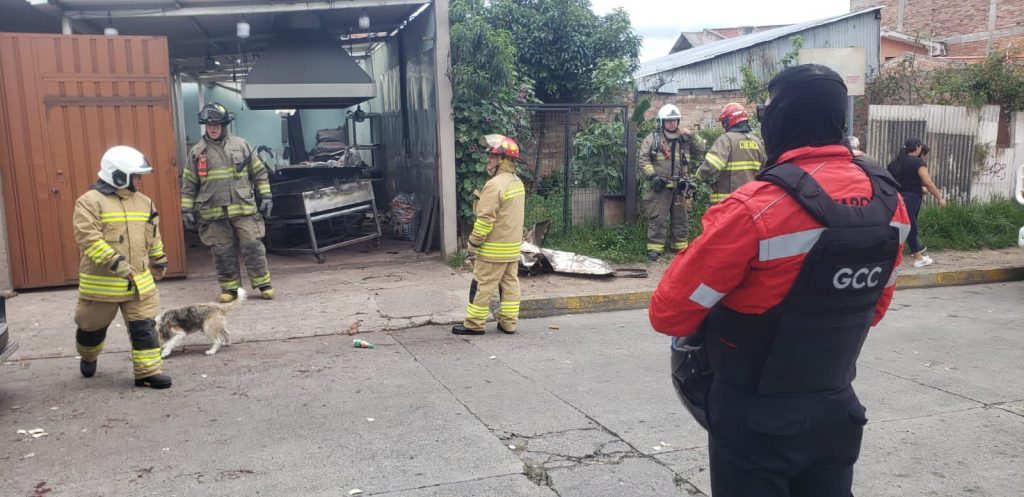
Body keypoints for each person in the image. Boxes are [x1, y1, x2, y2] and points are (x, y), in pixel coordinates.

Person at [649, 64, 911, 497]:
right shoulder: (890, 202)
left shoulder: (756, 208)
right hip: (836, 412)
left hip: (755, 421)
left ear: (783, 118)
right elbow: (874, 311)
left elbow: (668, 313)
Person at [73, 146, 172, 389]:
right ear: (118, 175)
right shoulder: (89, 202)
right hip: (102, 287)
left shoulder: (144, 203)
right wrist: (115, 263)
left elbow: (153, 235)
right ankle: (88, 355)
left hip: (140, 283)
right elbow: (88, 238)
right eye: (136, 176)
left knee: (145, 328)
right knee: (90, 330)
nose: (140, 181)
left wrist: (158, 260)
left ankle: (148, 373)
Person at [182, 102, 275, 302]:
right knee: (222, 251)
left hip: (244, 209)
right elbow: (189, 184)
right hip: (213, 212)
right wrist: (186, 209)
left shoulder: (241, 145)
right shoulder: (197, 152)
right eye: (209, 125)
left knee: (252, 245)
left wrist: (266, 196)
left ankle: (263, 284)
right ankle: (230, 289)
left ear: (225, 125)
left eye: (216, 124)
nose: (213, 128)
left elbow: (260, 173)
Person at [451, 135, 526, 336]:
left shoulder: (494, 185)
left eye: (492, 156)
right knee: (510, 285)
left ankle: (474, 324)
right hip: (511, 249)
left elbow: (485, 220)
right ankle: (508, 323)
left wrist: (473, 243)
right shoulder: (517, 182)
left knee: (481, 285)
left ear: (503, 159)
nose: (488, 160)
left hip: (493, 250)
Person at [639, 104, 707, 260]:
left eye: (675, 120)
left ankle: (680, 247)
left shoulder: (684, 139)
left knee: (681, 218)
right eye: (668, 120)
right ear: (662, 122)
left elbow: (702, 148)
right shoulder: (653, 139)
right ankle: (655, 248)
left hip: (681, 187)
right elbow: (643, 159)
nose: (672, 123)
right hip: (660, 186)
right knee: (657, 217)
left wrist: (692, 135)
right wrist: (653, 176)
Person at [887, 138, 947, 267]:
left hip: (895, 198)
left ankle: (900, 253)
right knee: (910, 224)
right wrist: (939, 198)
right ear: (918, 148)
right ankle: (918, 257)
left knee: (899, 225)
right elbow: (928, 182)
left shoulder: (894, 163)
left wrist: (918, 188)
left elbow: (899, 182)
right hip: (911, 198)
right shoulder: (917, 162)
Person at [696, 103, 766, 204]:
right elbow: (763, 169)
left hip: (728, 201)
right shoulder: (757, 141)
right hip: (751, 200)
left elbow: (712, 166)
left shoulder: (726, 140)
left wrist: (698, 176)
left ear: (728, 121)